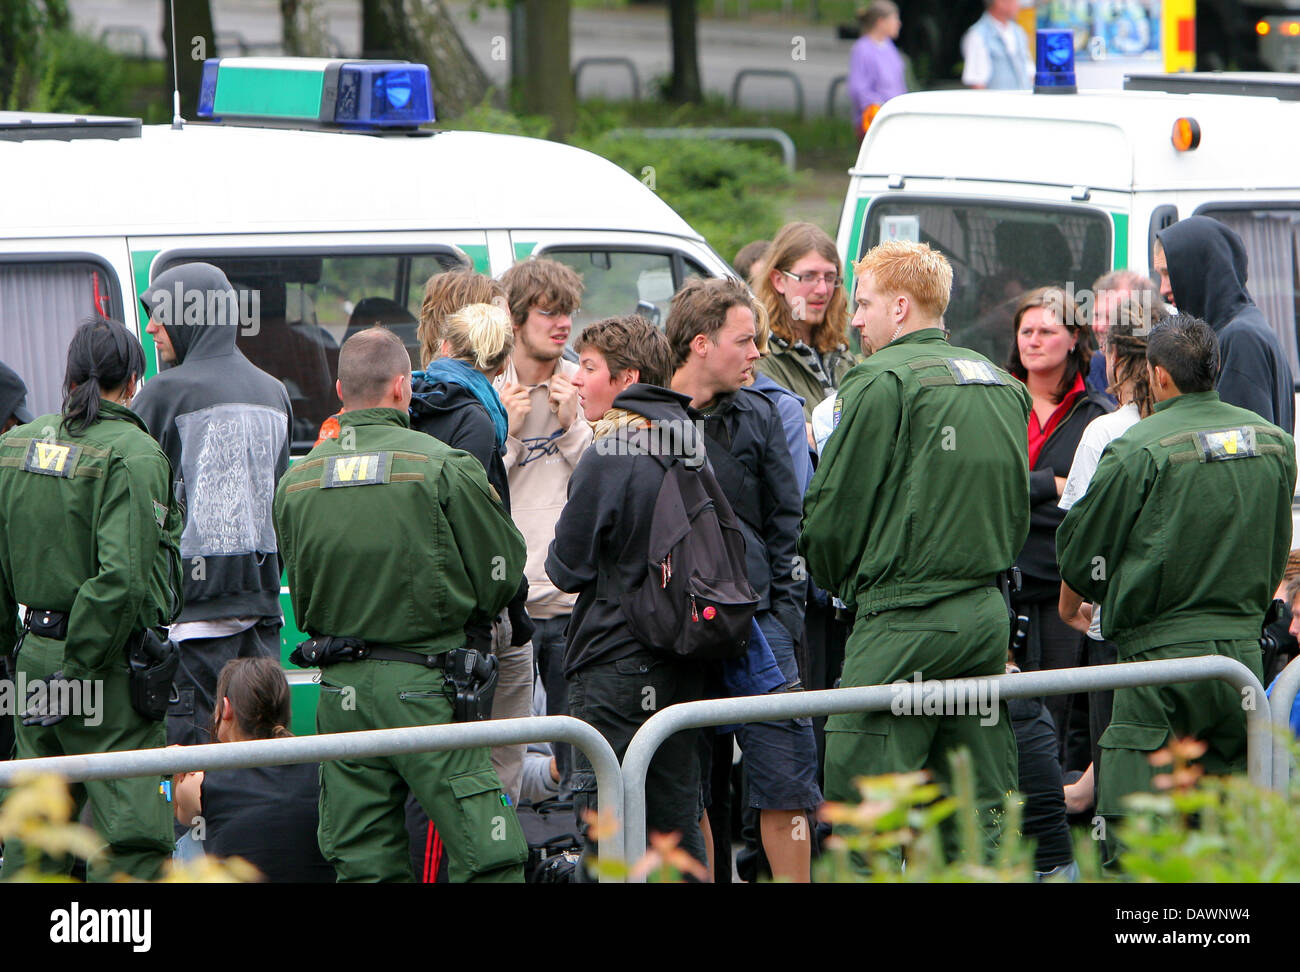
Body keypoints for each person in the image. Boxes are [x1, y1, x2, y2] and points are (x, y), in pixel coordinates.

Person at [273, 327, 528, 883]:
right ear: (402, 387)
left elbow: (297, 580)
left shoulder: (297, 480)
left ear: (340, 390)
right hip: (426, 685)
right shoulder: (443, 466)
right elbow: (503, 571)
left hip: (340, 694)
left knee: (363, 861)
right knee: (490, 854)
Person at [801, 240, 1030, 854]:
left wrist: (844, 585)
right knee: (976, 804)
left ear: (900, 308)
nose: (854, 317)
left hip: (902, 618)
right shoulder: (1004, 384)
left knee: (864, 814)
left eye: (866, 303)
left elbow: (834, 513)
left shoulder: (878, 381)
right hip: (985, 615)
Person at [1058, 315, 1296, 833]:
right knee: (1224, 827)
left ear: (1159, 375)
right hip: (1241, 661)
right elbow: (1278, 547)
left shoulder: (1137, 445)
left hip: (1159, 666)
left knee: (1138, 832)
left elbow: (1083, 551)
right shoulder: (1276, 443)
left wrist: (1069, 602)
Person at [0, 317, 183, 881]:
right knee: (128, 844)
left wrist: (15, 656)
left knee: (35, 838)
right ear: (133, 382)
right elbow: (121, 580)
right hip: (106, 671)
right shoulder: (134, 454)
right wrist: (77, 670)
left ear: (68, 376)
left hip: (35, 663)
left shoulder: (12, 448)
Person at [668, 277, 821, 883]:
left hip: (759, 625)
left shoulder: (763, 414)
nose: (757, 352)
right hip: (678, 629)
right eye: (745, 340)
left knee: (787, 780)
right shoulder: (647, 418)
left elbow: (790, 528)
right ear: (701, 344)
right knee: (692, 787)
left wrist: (783, 615)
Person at [545, 317, 710, 874]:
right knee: (677, 825)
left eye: (588, 368)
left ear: (627, 378)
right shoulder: (690, 439)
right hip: (684, 659)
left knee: (606, 832)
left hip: (614, 665)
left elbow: (565, 569)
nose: (578, 380)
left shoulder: (610, 452)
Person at [132, 263, 293, 755]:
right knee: (261, 765)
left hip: (190, 631)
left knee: (195, 777)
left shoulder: (161, 394)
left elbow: (136, 510)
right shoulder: (275, 392)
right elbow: (282, 511)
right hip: (262, 622)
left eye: (160, 315)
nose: (151, 328)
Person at [409, 300, 532, 805]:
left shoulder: (407, 402)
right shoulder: (478, 419)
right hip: (475, 616)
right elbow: (477, 528)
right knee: (493, 763)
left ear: (441, 346)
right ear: (501, 365)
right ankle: (494, 851)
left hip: (422, 606)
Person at [1057, 295, 1164, 814]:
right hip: (1181, 626)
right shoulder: (1191, 427)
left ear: (1112, 354)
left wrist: (1068, 603)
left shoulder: (1105, 430)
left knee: (1118, 761)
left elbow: (1078, 533)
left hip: (1114, 624)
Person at [496, 258, 592, 796]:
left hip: (569, 605)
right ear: (514, 320)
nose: (561, 325)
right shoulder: (490, 390)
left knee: (579, 765)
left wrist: (574, 427)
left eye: (568, 313)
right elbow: (474, 494)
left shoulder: (580, 384)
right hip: (508, 608)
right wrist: (505, 438)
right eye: (548, 312)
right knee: (499, 761)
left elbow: (606, 489)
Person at [1006, 286, 1113, 771]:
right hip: (1003, 583)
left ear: (1073, 338)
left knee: (1065, 712)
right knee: (1007, 714)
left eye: (1046, 330)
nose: (1033, 340)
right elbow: (984, 487)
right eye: (1025, 331)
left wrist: (1022, 495)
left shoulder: (1096, 415)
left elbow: (1088, 506)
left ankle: (1066, 822)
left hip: (1066, 588)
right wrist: (1050, 483)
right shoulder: (996, 402)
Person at [172, 657, 333, 882]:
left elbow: (182, 814)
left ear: (226, 708)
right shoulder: (324, 768)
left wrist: (178, 766)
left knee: (189, 840)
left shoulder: (201, 780)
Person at [1154, 215, 1295, 434]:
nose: (1162, 288)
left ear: (1198, 269)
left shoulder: (1241, 338)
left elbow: (1241, 454)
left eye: (1168, 273)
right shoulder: (1240, 328)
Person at [754, 222, 857, 424]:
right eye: (808, 276)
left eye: (830, 277)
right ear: (778, 280)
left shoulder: (841, 354)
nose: (822, 290)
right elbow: (799, 437)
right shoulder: (759, 355)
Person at [1085, 270, 1161, 403]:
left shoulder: (1165, 371)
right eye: (1097, 316)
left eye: (1112, 317)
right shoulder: (1088, 370)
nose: (1100, 327)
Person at [847, 1, 906, 139]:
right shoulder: (862, 49)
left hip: (894, 117)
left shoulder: (889, 47)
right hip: (875, 120)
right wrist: (881, 109)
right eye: (895, 19)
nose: (899, 24)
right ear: (881, 22)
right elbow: (858, 89)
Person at [962, 0, 1032, 90]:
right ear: (999, 2)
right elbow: (977, 83)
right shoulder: (978, 35)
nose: (1018, 4)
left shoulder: (1019, 32)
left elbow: (1030, 74)